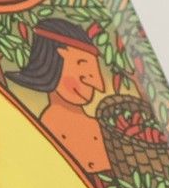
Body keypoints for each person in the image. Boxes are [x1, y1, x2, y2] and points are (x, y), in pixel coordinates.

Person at [6, 18, 114, 175]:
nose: (98, 85)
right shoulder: (49, 128)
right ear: (51, 65)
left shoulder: (98, 125)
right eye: (80, 63)